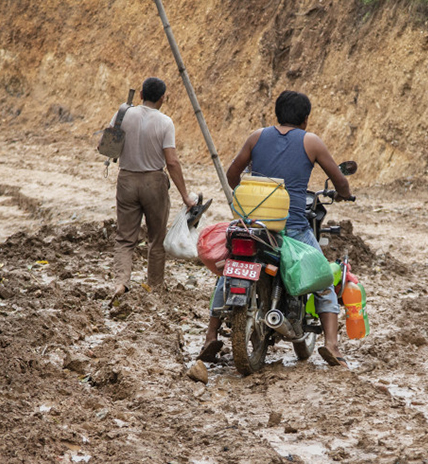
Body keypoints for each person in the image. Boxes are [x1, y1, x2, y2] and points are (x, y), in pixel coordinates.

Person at [198, 90, 353, 368]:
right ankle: (332, 345)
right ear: (305, 119)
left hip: (252, 224)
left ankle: (210, 336)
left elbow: (233, 175)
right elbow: (340, 181)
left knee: (229, 270)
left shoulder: (257, 136)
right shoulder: (311, 141)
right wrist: (344, 192)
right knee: (323, 280)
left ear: (276, 114)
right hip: (291, 227)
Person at [106, 77, 195, 297]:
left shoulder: (123, 114)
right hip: (154, 183)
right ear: (162, 98)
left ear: (141, 95)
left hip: (126, 180)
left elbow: (106, 146)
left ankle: (121, 283)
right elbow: (172, 162)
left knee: (125, 238)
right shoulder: (165, 122)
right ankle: (154, 288)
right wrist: (185, 196)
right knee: (157, 239)